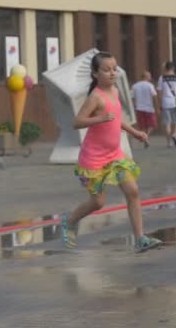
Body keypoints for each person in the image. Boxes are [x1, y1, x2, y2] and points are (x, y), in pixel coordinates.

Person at [60, 52, 162, 253]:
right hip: (93, 159)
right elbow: (77, 122)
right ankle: (70, 221)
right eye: (106, 70)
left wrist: (135, 132)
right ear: (95, 74)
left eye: (114, 69)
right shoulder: (95, 97)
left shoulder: (114, 92)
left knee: (132, 191)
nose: (112, 73)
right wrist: (99, 119)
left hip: (115, 156)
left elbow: (116, 119)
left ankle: (140, 238)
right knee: (98, 202)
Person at [157, 61, 176, 147]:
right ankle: (175, 134)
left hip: (165, 102)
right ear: (173, 68)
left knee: (167, 123)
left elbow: (159, 92)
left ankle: (169, 143)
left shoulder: (161, 78)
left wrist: (160, 103)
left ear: (165, 68)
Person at [131, 71, 158, 148]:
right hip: (149, 108)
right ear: (146, 77)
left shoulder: (135, 86)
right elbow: (154, 96)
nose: (150, 78)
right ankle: (146, 137)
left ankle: (144, 138)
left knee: (142, 126)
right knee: (151, 125)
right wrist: (157, 106)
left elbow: (132, 97)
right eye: (149, 76)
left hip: (139, 108)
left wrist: (133, 106)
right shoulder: (150, 86)